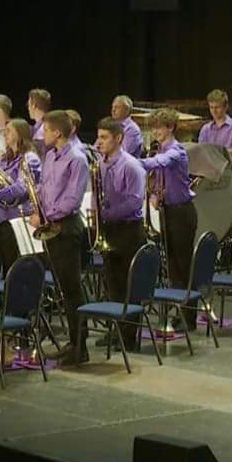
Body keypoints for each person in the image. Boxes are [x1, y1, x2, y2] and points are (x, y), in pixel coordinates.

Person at [30, 110, 90, 366]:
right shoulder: (50, 156)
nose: (42, 134)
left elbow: (72, 200)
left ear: (57, 132)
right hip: (51, 226)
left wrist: (47, 215)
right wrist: (38, 209)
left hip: (66, 228)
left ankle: (81, 346)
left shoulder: (77, 159)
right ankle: (72, 342)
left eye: (46, 130)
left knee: (73, 288)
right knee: (64, 291)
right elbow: (45, 189)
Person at [140, 108, 198, 330]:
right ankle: (179, 311)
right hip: (167, 212)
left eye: (159, 127)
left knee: (183, 267)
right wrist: (154, 194)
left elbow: (159, 163)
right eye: (153, 127)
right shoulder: (161, 149)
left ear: (171, 128)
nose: (155, 131)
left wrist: (133, 162)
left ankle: (189, 317)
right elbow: (157, 180)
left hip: (182, 212)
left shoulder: (176, 151)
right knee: (172, 267)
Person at [94, 119, 147, 350]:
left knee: (128, 285)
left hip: (128, 230)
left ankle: (129, 336)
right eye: (99, 137)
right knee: (112, 284)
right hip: (109, 229)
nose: (99, 142)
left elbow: (135, 202)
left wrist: (105, 213)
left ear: (118, 138)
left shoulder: (131, 165)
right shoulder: (100, 164)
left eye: (104, 138)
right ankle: (116, 330)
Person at [0, 119, 41, 273]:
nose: (5, 134)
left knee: (13, 267)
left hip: (17, 218)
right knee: (2, 266)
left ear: (20, 134)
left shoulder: (30, 158)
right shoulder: (3, 158)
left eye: (9, 131)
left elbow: (22, 188)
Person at [198, 89, 232, 158]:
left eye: (217, 107)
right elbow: (201, 152)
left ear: (225, 107)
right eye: (211, 107)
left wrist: (218, 152)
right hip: (209, 167)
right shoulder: (205, 129)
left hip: (229, 166)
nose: (214, 111)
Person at [27, 88, 52, 156]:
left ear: (34, 106)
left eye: (29, 105)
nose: (28, 109)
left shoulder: (44, 128)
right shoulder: (37, 127)